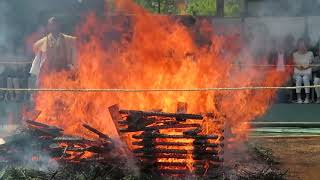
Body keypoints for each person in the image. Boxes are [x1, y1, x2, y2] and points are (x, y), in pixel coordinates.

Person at [30, 17, 77, 84]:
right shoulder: (40, 44)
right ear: (48, 27)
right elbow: (36, 66)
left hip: (65, 77)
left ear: (60, 26)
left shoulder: (70, 41)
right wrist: (37, 81)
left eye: (56, 24)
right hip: (48, 78)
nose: (54, 27)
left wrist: (74, 70)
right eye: (52, 25)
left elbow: (75, 62)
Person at [293, 38, 314, 104]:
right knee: (299, 78)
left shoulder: (310, 53)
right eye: (300, 44)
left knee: (305, 78)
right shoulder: (294, 54)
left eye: (303, 44)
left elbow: (312, 64)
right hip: (297, 72)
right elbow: (293, 64)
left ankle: (307, 98)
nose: (302, 45)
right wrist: (299, 68)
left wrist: (305, 68)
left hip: (307, 72)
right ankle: (299, 98)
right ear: (298, 45)